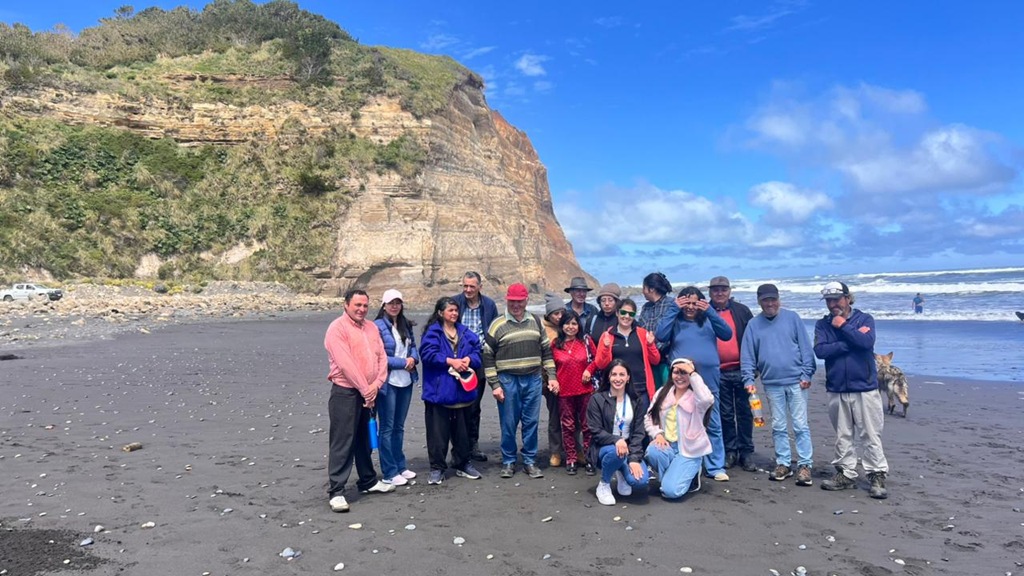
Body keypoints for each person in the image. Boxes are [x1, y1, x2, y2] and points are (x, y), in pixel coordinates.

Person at [813, 281, 890, 499]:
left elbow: (866, 342)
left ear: (848, 298)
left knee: (870, 433)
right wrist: (850, 341)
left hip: (864, 386)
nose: (832, 304)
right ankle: (845, 473)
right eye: (829, 301)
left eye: (836, 299)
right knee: (843, 434)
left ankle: (877, 474)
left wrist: (843, 327)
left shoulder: (865, 319)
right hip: (836, 387)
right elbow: (820, 351)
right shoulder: (822, 324)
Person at [324, 289, 396, 513]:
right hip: (345, 393)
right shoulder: (337, 328)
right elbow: (345, 364)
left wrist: (376, 385)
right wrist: (366, 389)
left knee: (364, 439)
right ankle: (337, 491)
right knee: (343, 441)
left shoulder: (371, 327)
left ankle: (368, 481)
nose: (362, 309)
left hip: (370, 392)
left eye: (365, 305)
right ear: (346, 305)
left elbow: (382, 357)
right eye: (357, 305)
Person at [740, 284, 816, 486]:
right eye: (766, 300)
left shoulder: (792, 318)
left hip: (797, 382)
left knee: (800, 425)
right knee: (778, 426)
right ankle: (783, 463)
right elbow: (747, 356)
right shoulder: (753, 325)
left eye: (773, 299)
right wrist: (748, 379)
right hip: (772, 384)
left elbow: (806, 348)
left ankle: (805, 465)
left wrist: (807, 373)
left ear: (779, 299)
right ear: (759, 302)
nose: (770, 303)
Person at [656, 286, 733, 481]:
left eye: (694, 303)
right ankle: (684, 461)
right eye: (686, 303)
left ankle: (715, 467)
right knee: (682, 422)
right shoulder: (676, 321)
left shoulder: (708, 319)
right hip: (682, 382)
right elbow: (661, 335)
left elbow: (727, 334)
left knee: (713, 423)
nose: (690, 307)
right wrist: (674, 309)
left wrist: (710, 311)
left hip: (709, 379)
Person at [483, 283, 559, 479]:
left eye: (519, 301)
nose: (516, 305)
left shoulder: (535, 321)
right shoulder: (497, 324)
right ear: (507, 301)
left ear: (526, 301)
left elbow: (546, 352)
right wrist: (495, 385)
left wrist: (551, 376)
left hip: (533, 379)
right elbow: (488, 356)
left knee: (531, 422)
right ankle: (508, 461)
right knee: (508, 423)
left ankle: (529, 461)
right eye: (512, 301)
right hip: (507, 380)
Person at [419, 296, 484, 485]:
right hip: (439, 392)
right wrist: (450, 361)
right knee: (438, 434)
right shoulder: (433, 333)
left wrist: (469, 360)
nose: (454, 313)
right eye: (450, 310)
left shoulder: (465, 332)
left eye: (456, 310)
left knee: (463, 432)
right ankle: (437, 468)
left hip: (463, 391)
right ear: (440, 313)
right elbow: (427, 354)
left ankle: (463, 464)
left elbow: (478, 352)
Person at [644, 358, 714, 499]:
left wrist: (692, 373)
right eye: (676, 372)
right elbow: (649, 418)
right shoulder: (662, 393)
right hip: (668, 446)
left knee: (671, 492)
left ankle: (689, 475)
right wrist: (658, 434)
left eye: (684, 372)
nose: (680, 377)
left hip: (689, 451)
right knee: (652, 452)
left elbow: (707, 399)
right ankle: (672, 477)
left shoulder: (697, 397)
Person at [707, 275, 756, 472]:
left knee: (745, 413)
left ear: (729, 291)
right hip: (717, 372)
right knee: (725, 414)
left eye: (723, 289)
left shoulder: (742, 310)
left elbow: (753, 339)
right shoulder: (705, 312)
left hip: (742, 371)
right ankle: (730, 451)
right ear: (710, 292)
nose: (720, 293)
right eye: (715, 289)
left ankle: (746, 452)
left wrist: (754, 368)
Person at [586, 359, 650, 505]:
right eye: (614, 374)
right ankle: (604, 484)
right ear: (608, 377)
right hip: (604, 448)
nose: (618, 378)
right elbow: (595, 430)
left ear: (628, 378)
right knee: (616, 452)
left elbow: (639, 433)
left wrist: (634, 459)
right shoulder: (597, 399)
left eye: (622, 374)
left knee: (640, 481)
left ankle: (621, 470)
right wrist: (616, 440)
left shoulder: (636, 400)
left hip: (628, 448)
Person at [373, 289, 420, 487]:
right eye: (391, 303)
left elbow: (413, 347)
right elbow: (379, 357)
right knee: (387, 427)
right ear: (384, 305)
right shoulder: (376, 326)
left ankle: (400, 466)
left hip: (405, 381)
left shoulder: (405, 324)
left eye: (398, 303)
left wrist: (413, 359)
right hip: (388, 382)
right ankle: (389, 471)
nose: (394, 306)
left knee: (399, 427)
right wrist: (404, 362)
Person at [452, 271, 499, 463]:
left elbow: (494, 331)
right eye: (465, 286)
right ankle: (458, 449)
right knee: (456, 405)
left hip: (479, 359)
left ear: (480, 287)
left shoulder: (489, 305)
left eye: (472, 286)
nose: (468, 290)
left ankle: (472, 445)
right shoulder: (455, 302)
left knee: (474, 405)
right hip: (457, 359)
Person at [551, 309, 597, 475]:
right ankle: (571, 458)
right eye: (567, 323)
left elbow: (596, 360)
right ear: (561, 326)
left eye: (574, 323)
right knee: (568, 426)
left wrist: (589, 370)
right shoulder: (555, 344)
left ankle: (589, 457)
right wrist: (552, 381)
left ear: (579, 325)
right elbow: (550, 366)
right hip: (564, 391)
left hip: (585, 389)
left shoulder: (585, 341)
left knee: (587, 425)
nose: (570, 327)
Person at [595, 298, 661, 402]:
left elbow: (655, 360)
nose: (627, 316)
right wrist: (606, 348)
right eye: (623, 312)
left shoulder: (643, 333)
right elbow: (600, 364)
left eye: (631, 314)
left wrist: (650, 345)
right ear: (617, 313)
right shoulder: (607, 335)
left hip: (641, 388)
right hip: (617, 389)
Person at [637, 272, 677, 390]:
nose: (643, 291)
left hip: (666, 359)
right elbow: (640, 329)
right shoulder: (646, 307)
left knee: (667, 392)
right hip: (649, 358)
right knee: (654, 393)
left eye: (644, 288)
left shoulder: (671, 304)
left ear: (652, 289)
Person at [542, 293, 567, 468]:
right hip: (550, 380)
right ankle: (556, 451)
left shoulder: (567, 326)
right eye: (555, 313)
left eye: (561, 313)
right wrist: (547, 379)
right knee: (555, 417)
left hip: (569, 378)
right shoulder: (543, 329)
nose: (559, 316)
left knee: (573, 417)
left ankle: (575, 449)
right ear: (549, 314)